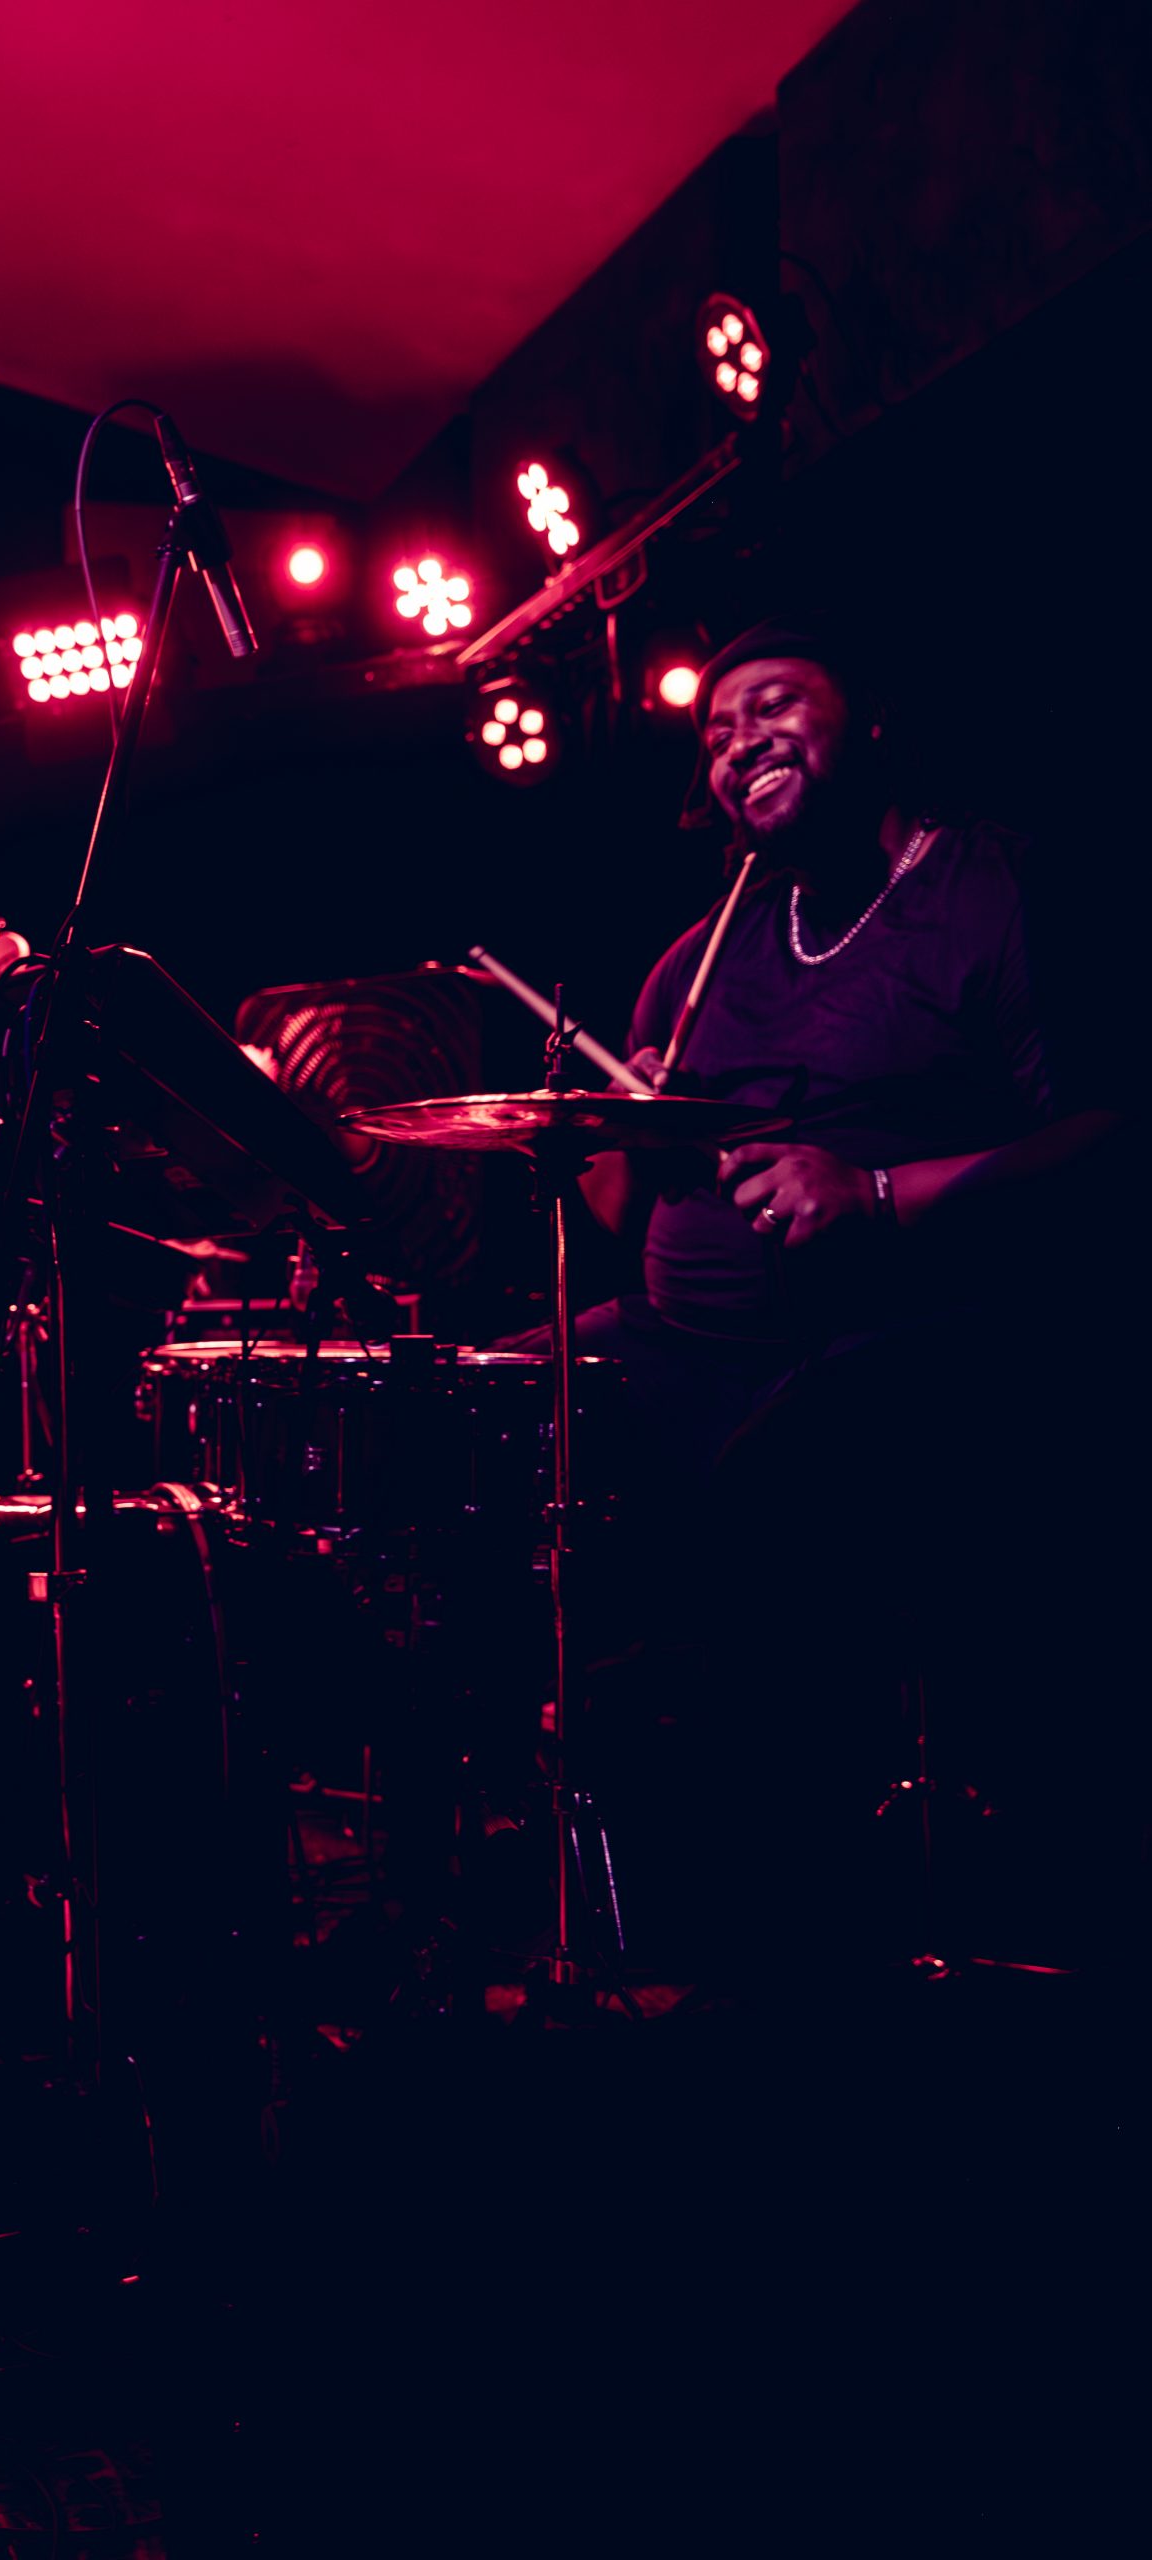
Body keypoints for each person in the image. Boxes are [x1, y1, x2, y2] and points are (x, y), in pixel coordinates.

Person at [558, 621, 1116, 1969]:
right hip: (685, 1343)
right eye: (714, 731)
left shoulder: (995, 891)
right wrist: (609, 1140)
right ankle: (584, 1879)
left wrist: (873, 1193)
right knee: (496, 1408)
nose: (738, 740)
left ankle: (787, 1916)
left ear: (869, 720)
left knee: (771, 1488)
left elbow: (1103, 1136)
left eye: (770, 705)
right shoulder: (698, 956)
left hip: (911, 1332)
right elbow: (623, 1220)